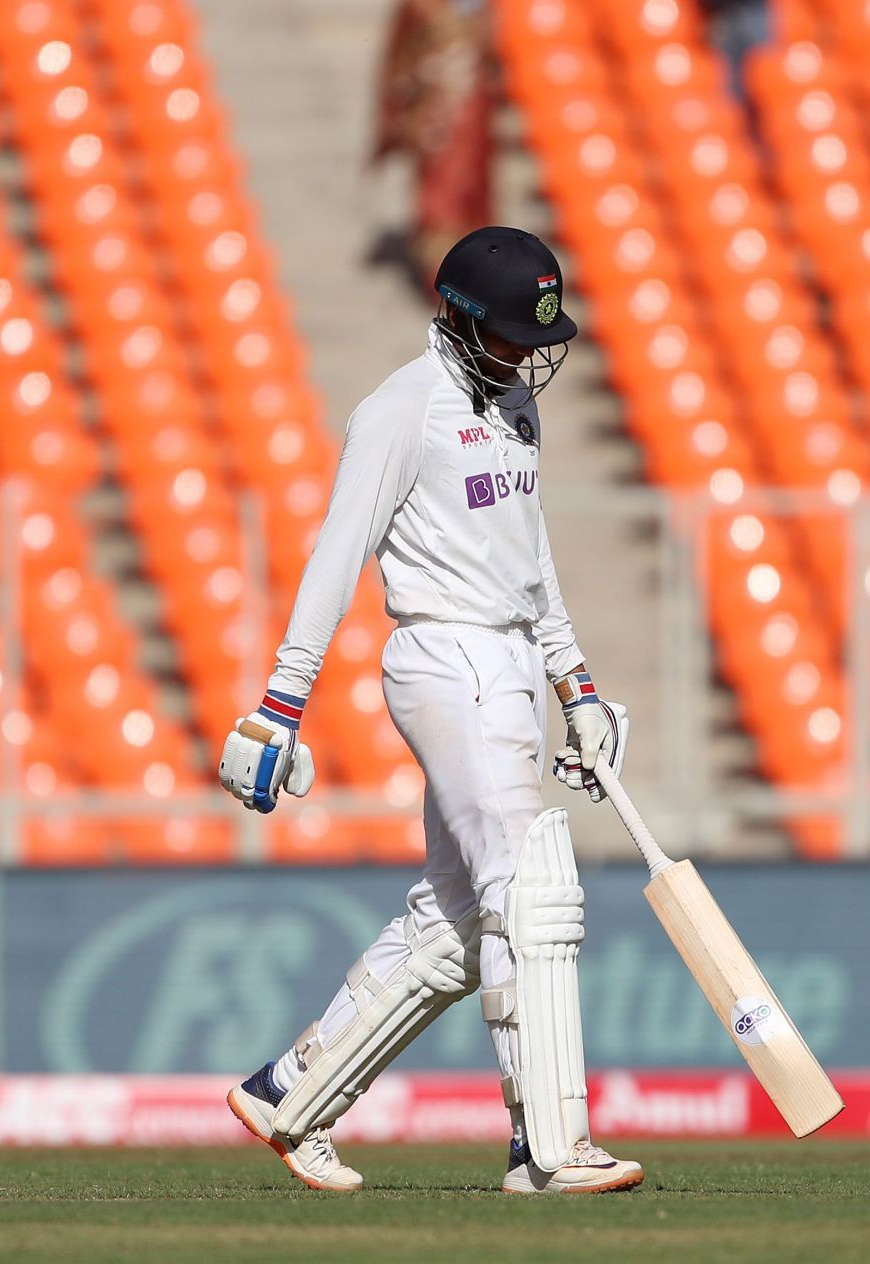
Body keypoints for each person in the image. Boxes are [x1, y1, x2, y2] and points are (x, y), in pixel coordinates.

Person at [218, 226, 638, 1195]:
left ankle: (290, 1094)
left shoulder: (518, 403)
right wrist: (283, 701)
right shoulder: (400, 410)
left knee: (456, 921)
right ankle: (547, 1143)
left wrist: (575, 683)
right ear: (454, 317)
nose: (527, 353)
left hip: (512, 658)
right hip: (443, 653)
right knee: (528, 889)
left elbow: (532, 564)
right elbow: (337, 552)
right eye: (505, 335)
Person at [372, 0, 495, 292]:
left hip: (473, 105)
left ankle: (475, 272)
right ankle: (443, 277)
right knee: (442, 194)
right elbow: (403, 47)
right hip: (437, 109)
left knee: (471, 189)